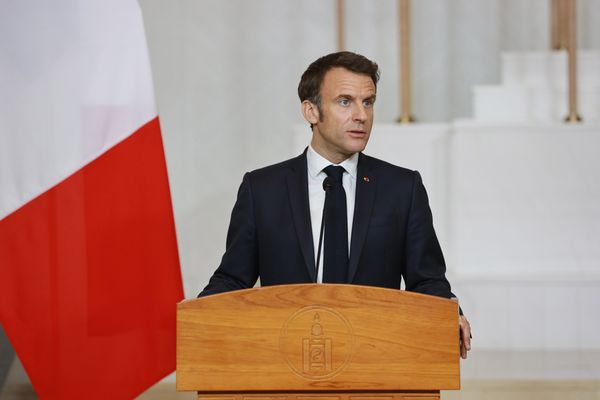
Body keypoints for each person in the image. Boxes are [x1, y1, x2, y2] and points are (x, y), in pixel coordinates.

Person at [199, 51, 472, 358]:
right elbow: (234, 277)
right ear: (311, 111)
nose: (362, 115)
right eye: (345, 101)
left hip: (376, 359)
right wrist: (197, 317)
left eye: (368, 102)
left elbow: (427, 279)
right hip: (286, 359)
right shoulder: (262, 189)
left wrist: (450, 311)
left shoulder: (402, 188)